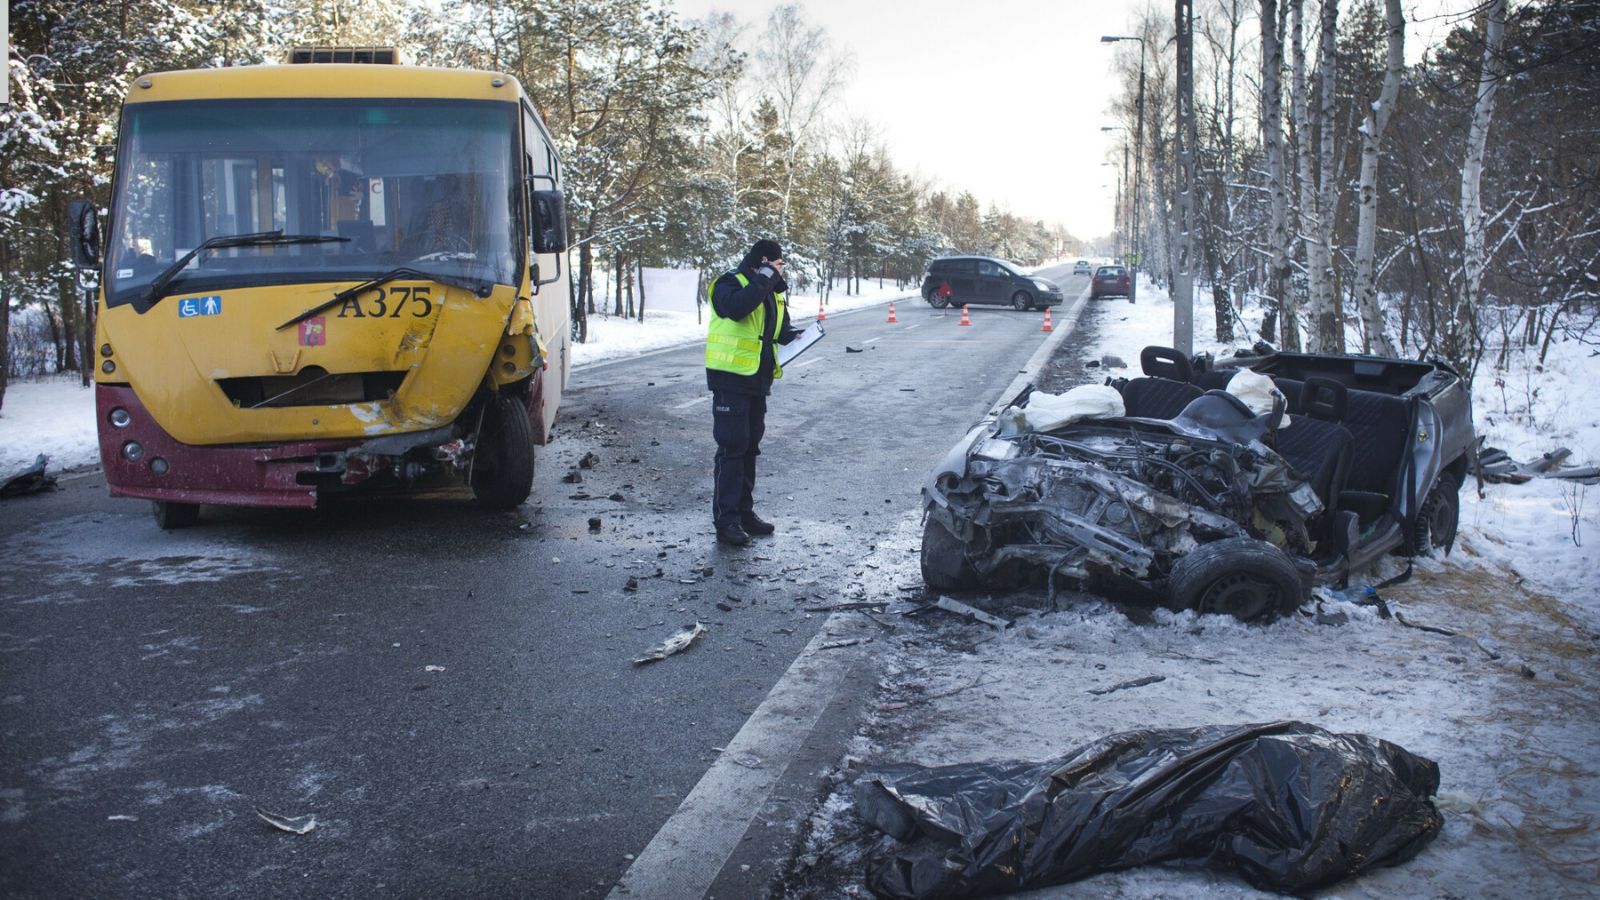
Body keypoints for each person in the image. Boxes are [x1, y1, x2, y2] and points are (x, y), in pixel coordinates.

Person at [705, 238, 803, 546]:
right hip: (730, 379)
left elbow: (778, 329)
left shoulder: (770, 291)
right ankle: (727, 521)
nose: (779, 271)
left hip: (757, 380)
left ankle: (745, 514)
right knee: (732, 448)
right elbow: (736, 309)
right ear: (761, 262)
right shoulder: (728, 282)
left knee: (750, 448)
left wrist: (797, 336)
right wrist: (764, 278)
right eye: (775, 265)